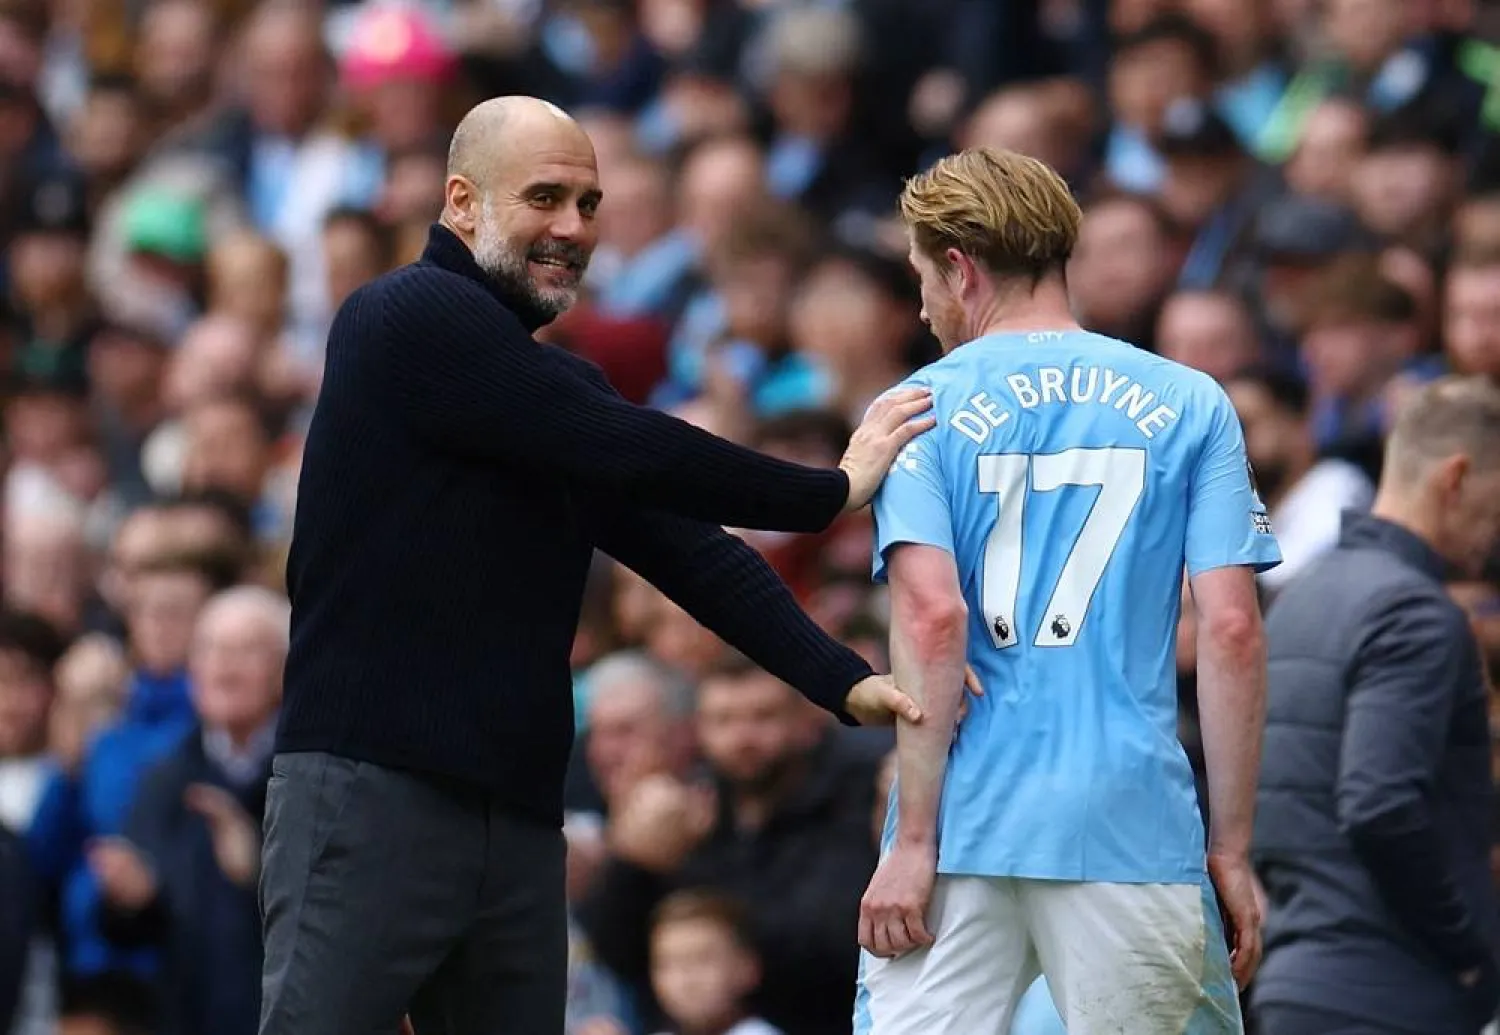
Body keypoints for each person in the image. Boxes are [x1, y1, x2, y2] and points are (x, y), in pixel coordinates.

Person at [259, 95, 936, 1035]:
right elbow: (638, 448)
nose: (572, 229)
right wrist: (831, 490)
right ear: (461, 202)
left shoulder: (556, 394)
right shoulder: (402, 316)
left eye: (588, 204)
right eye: (545, 197)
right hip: (373, 787)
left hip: (517, 815)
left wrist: (841, 680)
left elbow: (689, 552)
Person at [852, 147, 1281, 1035]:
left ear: (960, 270)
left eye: (921, 278)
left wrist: (915, 840)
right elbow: (1232, 629)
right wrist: (1231, 848)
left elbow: (934, 618)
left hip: (961, 825)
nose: (924, 306)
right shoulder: (1193, 401)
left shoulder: (914, 411)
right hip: (1129, 821)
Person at [1251, 376, 1500, 1035]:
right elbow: (1380, 803)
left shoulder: (1299, 598)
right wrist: (1468, 943)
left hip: (1295, 984)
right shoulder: (1417, 614)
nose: (1493, 536)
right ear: (1457, 476)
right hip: (1392, 994)